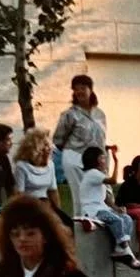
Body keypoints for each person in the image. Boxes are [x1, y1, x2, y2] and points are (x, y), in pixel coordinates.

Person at [77, 146, 140, 269]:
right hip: (93, 211)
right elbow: (113, 180)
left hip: (102, 208)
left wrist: (116, 208)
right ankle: (127, 253)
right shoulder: (92, 173)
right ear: (94, 160)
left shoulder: (97, 176)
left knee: (126, 218)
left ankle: (121, 248)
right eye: (102, 158)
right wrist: (116, 161)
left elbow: (104, 199)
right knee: (117, 220)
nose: (105, 160)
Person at [52, 75, 110, 212]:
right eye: (76, 89)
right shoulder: (69, 114)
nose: (79, 92)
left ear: (91, 89)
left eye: (83, 88)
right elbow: (58, 139)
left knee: (101, 195)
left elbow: (102, 138)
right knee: (81, 197)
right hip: (75, 158)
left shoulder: (100, 114)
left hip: (95, 159)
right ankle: (80, 226)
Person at [12, 126, 71, 227]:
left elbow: (53, 191)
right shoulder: (21, 166)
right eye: (46, 145)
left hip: (46, 203)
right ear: (35, 148)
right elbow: (19, 195)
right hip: (30, 206)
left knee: (67, 223)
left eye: (49, 145)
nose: (50, 148)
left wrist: (58, 212)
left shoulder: (50, 165)